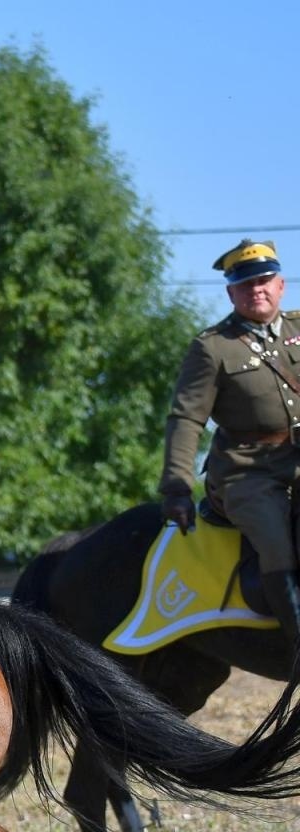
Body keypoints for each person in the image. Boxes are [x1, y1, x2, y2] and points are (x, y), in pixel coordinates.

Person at [160, 237, 300, 645]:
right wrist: (177, 486)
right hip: (247, 473)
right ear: (231, 293)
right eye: (245, 283)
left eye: (264, 280)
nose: (256, 289)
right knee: (275, 543)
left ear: (280, 285)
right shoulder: (213, 347)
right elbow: (187, 418)